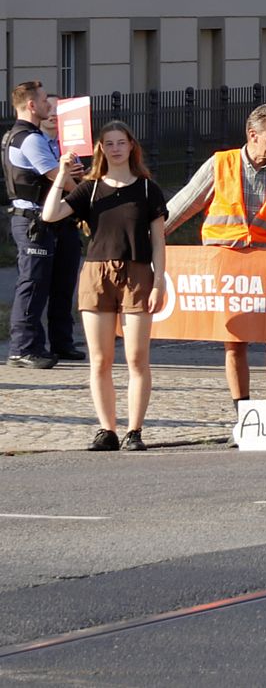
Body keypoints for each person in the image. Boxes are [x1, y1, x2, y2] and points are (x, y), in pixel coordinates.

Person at [166, 104, 266, 411]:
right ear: (253, 135)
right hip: (228, 266)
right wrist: (149, 235)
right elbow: (182, 206)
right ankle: (242, 411)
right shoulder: (221, 164)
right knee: (234, 341)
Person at [40, 120, 167, 450]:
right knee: (100, 359)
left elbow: (158, 242)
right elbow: (50, 215)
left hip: (138, 273)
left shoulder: (146, 189)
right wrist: (63, 174)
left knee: (137, 358)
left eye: (120, 142)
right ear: (100, 149)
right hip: (97, 274)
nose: (115, 148)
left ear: (131, 146)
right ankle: (106, 429)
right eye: (108, 143)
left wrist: (158, 282)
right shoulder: (91, 188)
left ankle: (134, 430)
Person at [8, 81, 84, 369]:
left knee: (52, 283)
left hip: (40, 220)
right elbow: (59, 177)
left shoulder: (24, 135)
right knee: (33, 285)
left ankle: (57, 343)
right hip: (33, 221)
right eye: (44, 101)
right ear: (31, 105)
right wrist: (86, 196)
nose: (49, 106)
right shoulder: (30, 138)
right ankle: (23, 348)